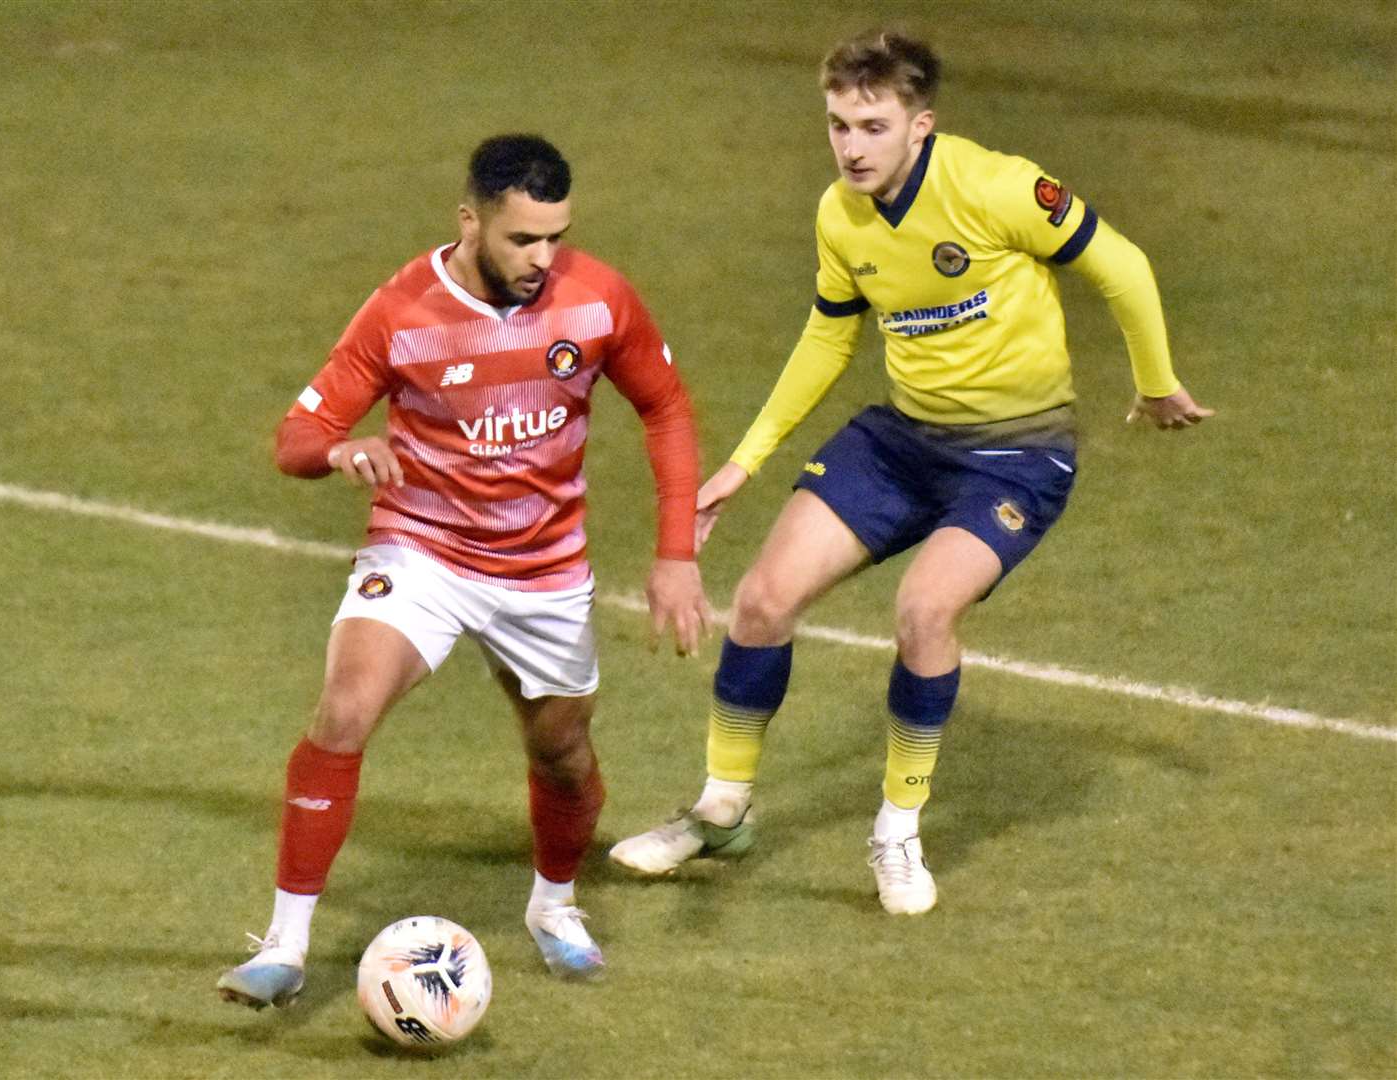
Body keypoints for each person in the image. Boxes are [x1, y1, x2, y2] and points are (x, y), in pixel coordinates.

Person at [610, 29, 1213, 915]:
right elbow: (828, 333)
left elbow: (1120, 266)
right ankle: (720, 809)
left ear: (919, 125)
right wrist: (745, 461)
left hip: (1016, 457)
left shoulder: (998, 187)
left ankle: (896, 829)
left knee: (924, 611)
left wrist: (1155, 385)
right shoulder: (839, 214)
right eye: (837, 124)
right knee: (762, 600)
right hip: (902, 441)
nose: (851, 146)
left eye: (871, 125)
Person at [217, 134, 711, 1007]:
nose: (541, 258)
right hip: (423, 548)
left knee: (560, 754)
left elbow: (664, 407)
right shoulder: (402, 311)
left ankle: (554, 907)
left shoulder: (596, 301)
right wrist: (340, 451)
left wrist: (674, 553)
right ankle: (285, 946)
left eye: (555, 236)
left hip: (543, 568)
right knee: (343, 711)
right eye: (522, 238)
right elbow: (294, 439)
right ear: (470, 219)